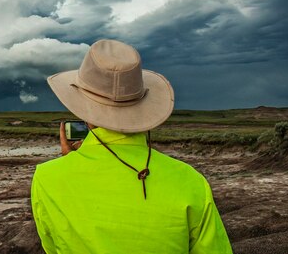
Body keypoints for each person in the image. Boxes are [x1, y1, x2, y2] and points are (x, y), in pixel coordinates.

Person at [31, 39, 233, 254]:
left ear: (84, 113)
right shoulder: (191, 181)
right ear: (145, 109)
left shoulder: (47, 178)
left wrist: (69, 166)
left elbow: (53, 247)